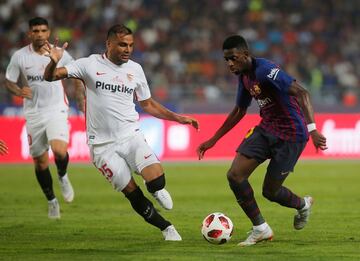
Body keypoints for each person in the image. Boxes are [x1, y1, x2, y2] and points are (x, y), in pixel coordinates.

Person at [43, 24, 199, 241]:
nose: (128, 49)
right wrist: (53, 61)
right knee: (132, 192)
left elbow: (148, 104)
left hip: (131, 136)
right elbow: (50, 77)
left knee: (157, 180)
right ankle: (166, 228)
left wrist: (178, 118)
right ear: (109, 44)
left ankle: (154, 188)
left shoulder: (135, 69)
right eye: (122, 44)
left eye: (131, 45)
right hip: (102, 147)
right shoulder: (88, 64)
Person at [197, 35, 327, 246]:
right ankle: (260, 228)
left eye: (233, 58)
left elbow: (303, 93)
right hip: (266, 129)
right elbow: (240, 110)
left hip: (292, 135)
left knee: (270, 192)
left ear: (245, 55)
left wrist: (313, 130)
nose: (230, 64)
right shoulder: (243, 76)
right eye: (226, 60)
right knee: (235, 175)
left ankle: (302, 204)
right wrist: (214, 139)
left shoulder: (265, 70)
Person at [5, 17, 84, 219]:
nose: (39, 34)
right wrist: (18, 90)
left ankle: (63, 175)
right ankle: (52, 200)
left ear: (48, 33)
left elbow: (77, 74)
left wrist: (80, 97)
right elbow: (9, 82)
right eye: (35, 31)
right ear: (29, 34)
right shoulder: (20, 57)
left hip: (56, 109)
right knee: (40, 163)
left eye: (43, 30)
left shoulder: (60, 53)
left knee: (59, 150)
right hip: (33, 113)